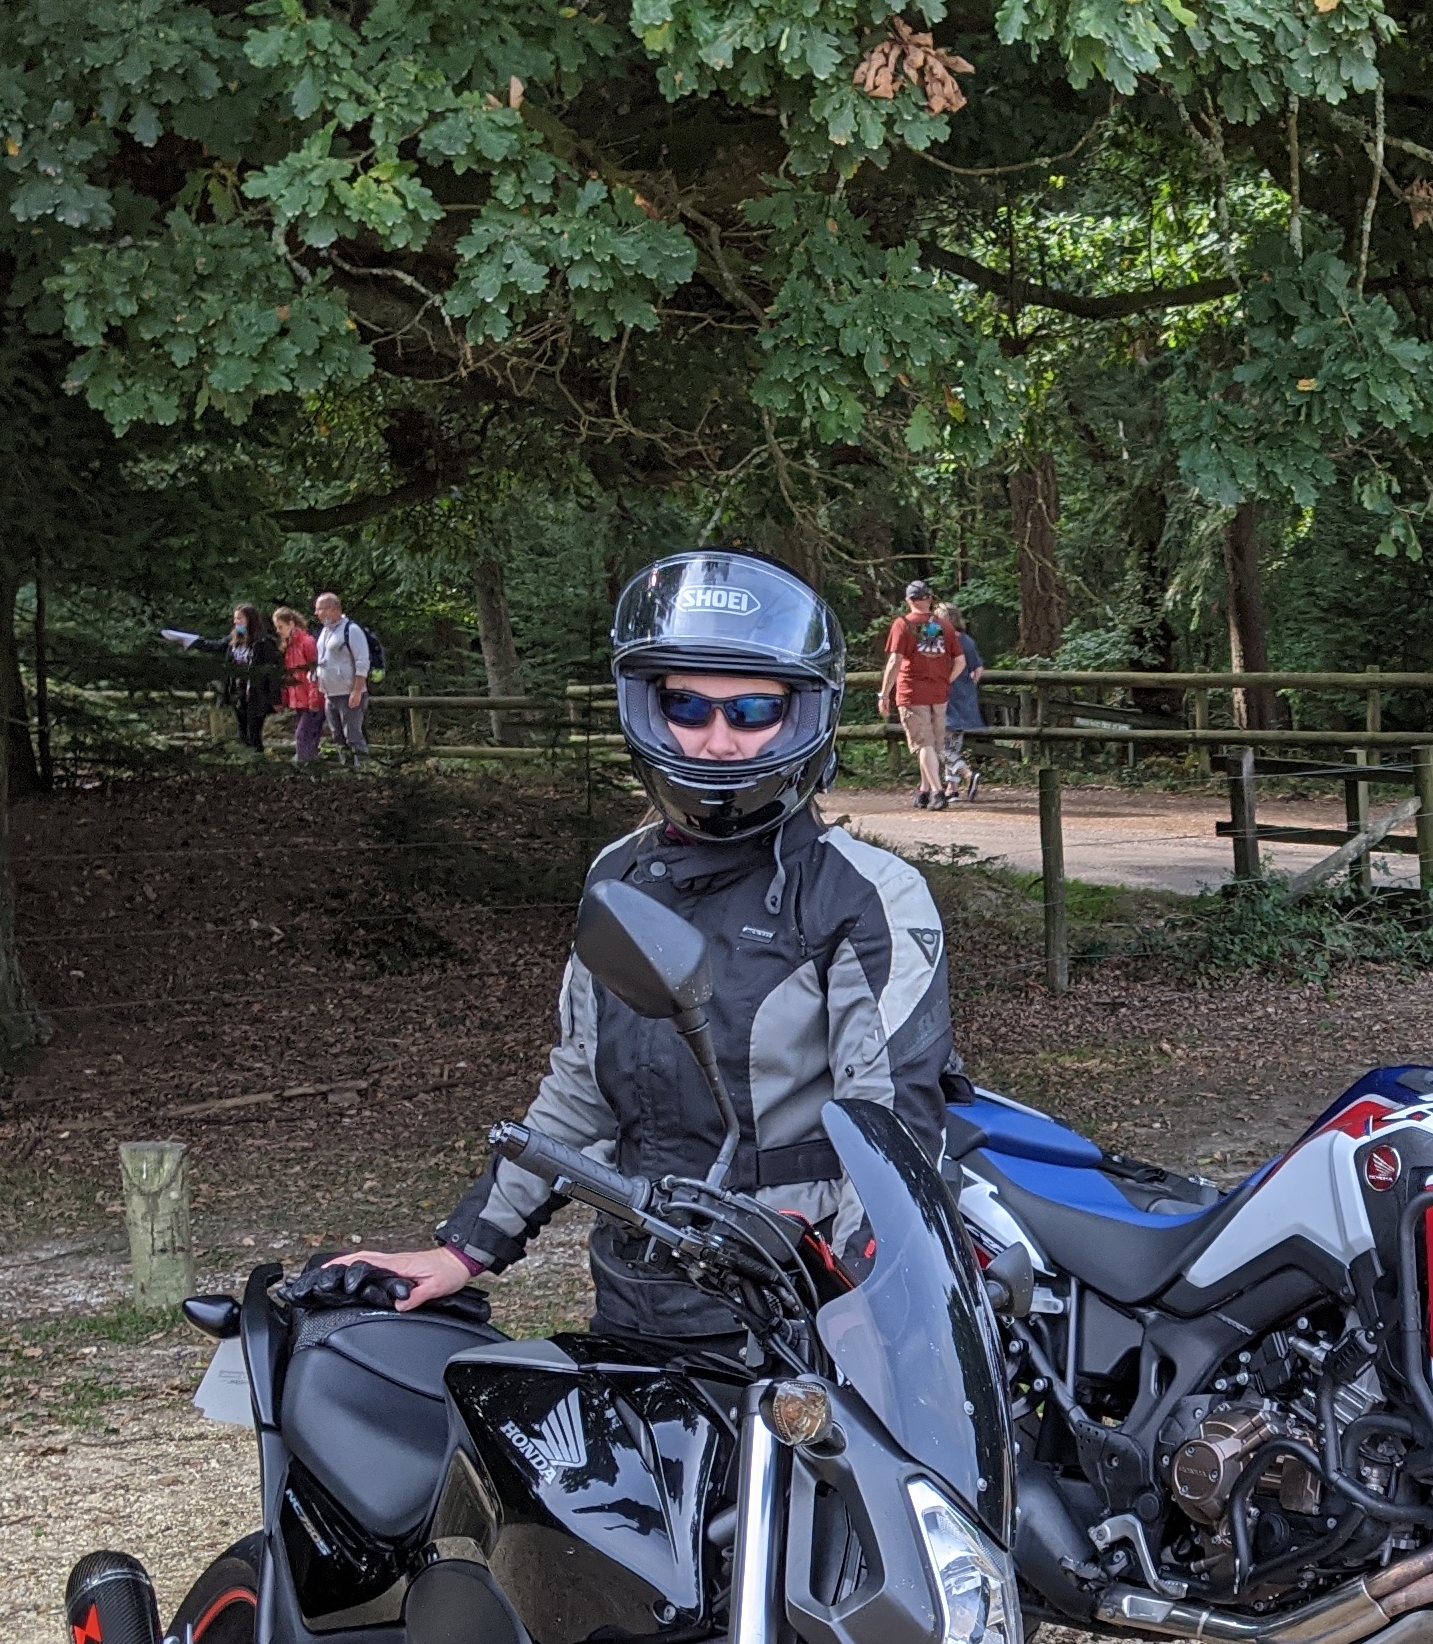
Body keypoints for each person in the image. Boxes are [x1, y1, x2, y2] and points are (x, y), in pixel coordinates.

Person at [339, 551, 953, 1346]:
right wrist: (465, 1248)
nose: (718, 739)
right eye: (688, 706)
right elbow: (581, 1093)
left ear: (800, 713)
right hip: (637, 1292)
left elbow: (892, 1128)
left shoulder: (867, 894)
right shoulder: (619, 873)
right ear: (648, 708)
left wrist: (865, 1306)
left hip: (800, 1307)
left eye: (754, 708)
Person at [879, 578, 967, 809]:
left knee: (923, 744)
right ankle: (924, 790)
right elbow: (960, 661)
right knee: (933, 744)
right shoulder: (942, 626)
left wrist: (884, 693)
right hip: (939, 694)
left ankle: (938, 793)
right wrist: (945, 681)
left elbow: (895, 661)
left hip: (912, 692)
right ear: (930, 599)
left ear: (908, 600)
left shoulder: (902, 625)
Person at [310, 588, 380, 771]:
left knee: (353, 736)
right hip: (330, 694)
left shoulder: (352, 630)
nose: (316, 613)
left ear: (333, 609)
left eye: (320, 609)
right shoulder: (325, 632)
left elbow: (362, 662)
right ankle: (348, 772)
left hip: (349, 693)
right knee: (338, 737)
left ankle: (364, 772)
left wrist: (357, 690)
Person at [938, 599, 986, 803]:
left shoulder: (941, 640)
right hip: (964, 696)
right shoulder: (967, 640)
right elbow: (978, 669)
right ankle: (952, 788)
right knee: (953, 743)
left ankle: (967, 775)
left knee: (938, 745)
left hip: (944, 696)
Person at [223, 604, 278, 754]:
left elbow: (272, 672)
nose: (236, 622)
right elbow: (214, 645)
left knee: (254, 733)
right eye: (235, 619)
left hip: (256, 694)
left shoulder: (263, 643)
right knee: (242, 733)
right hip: (238, 694)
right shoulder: (234, 640)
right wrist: (190, 641)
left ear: (250, 619)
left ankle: (257, 762)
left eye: (239, 618)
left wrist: (275, 698)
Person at [277, 607, 325, 766]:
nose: (278, 631)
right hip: (299, 699)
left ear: (291, 623)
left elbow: (314, 672)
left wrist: (314, 698)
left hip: (311, 698)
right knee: (307, 737)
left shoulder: (307, 642)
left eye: (280, 627)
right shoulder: (289, 646)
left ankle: (305, 767)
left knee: (303, 735)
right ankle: (310, 767)